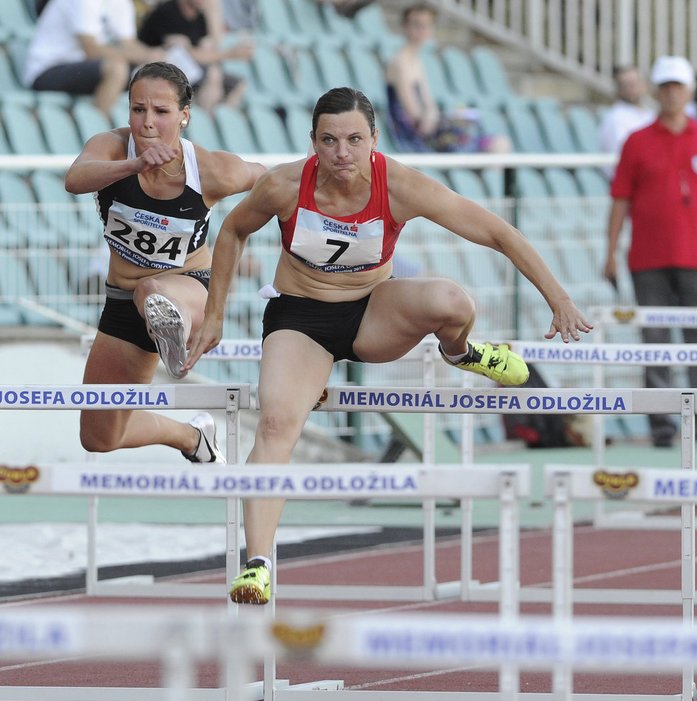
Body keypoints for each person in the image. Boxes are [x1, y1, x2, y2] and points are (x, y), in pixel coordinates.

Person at [183, 86, 592, 604]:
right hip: (300, 317)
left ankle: (462, 352)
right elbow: (233, 232)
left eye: (354, 139)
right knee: (276, 421)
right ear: (312, 142)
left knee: (453, 300)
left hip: (371, 313)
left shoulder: (398, 184)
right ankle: (257, 564)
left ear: (374, 139)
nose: (342, 153)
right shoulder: (285, 184)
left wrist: (557, 297)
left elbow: (496, 232)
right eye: (329, 141)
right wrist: (215, 312)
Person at [65, 61, 266, 465]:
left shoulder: (209, 169)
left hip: (187, 284)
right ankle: (191, 437)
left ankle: (179, 333)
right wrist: (133, 165)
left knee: (152, 290)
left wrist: (239, 233)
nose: (147, 122)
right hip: (122, 302)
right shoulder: (110, 147)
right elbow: (75, 178)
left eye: (161, 111)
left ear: (184, 116)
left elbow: (269, 180)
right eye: (138, 109)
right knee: (99, 437)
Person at [605, 55, 697, 448]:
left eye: (678, 86)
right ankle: (662, 425)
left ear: (689, 91)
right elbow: (620, 199)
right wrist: (609, 251)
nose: (672, 93)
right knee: (655, 343)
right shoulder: (636, 141)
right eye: (666, 87)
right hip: (648, 259)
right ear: (656, 91)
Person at [385, 4, 509, 153]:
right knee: (497, 145)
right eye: (417, 24)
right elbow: (416, 117)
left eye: (426, 25)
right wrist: (436, 118)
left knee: (499, 143)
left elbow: (429, 105)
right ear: (405, 27)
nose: (422, 30)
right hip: (417, 139)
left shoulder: (416, 61)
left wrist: (443, 117)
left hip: (430, 131)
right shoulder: (400, 63)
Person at [22, 0, 166, 113]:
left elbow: (129, 44)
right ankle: (96, 135)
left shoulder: (121, 2)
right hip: (46, 70)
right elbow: (90, 49)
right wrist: (143, 55)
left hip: (80, 68)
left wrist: (155, 56)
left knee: (151, 73)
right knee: (116, 68)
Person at [137, 0, 254, 112]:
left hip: (187, 69)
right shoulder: (167, 12)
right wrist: (231, 54)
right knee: (212, 79)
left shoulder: (200, 17)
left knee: (237, 85)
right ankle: (203, 122)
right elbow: (189, 54)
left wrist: (213, 12)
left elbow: (210, 47)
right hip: (154, 69)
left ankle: (217, 123)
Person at [598, 64, 655, 178]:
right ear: (619, 90)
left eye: (634, 83)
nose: (631, 88)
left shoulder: (650, 114)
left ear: (644, 85)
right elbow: (623, 155)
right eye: (625, 85)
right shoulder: (615, 118)